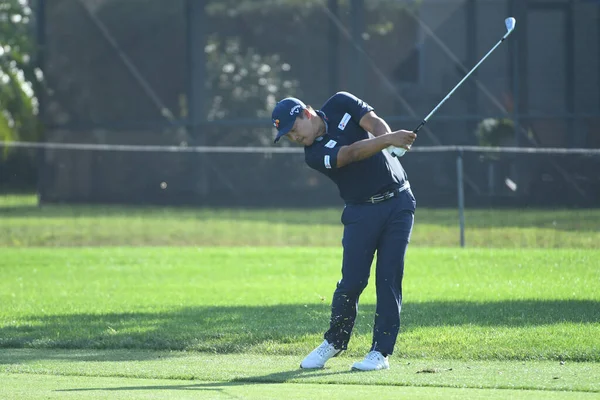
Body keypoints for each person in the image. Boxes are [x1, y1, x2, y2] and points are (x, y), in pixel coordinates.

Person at [271, 92, 417, 371]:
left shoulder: (340, 102)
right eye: (287, 136)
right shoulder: (313, 155)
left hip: (399, 202)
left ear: (307, 113)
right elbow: (351, 153)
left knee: (388, 278)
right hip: (361, 211)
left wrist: (391, 142)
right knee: (351, 282)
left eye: (293, 129)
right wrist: (388, 140)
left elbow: (374, 123)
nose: (294, 138)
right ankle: (335, 342)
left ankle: (380, 353)